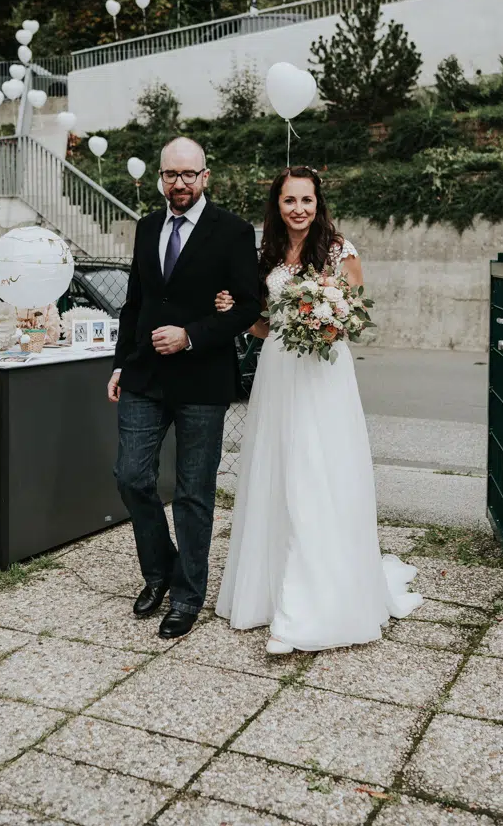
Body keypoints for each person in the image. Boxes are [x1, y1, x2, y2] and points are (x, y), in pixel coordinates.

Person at [215, 166, 423, 654]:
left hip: (323, 376)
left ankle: (307, 609)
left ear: (318, 202)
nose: (299, 209)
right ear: (277, 205)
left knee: (316, 474)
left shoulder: (338, 250)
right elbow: (265, 325)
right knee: (278, 472)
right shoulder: (266, 254)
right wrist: (235, 315)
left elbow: (353, 318)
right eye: (290, 200)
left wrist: (322, 319)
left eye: (306, 200)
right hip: (278, 372)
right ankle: (270, 593)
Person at [108, 137, 261, 640]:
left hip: (202, 380)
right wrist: (120, 364)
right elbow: (135, 303)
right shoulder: (147, 226)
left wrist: (191, 335)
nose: (179, 183)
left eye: (188, 174)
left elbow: (247, 306)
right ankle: (160, 571)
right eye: (171, 174)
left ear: (205, 176)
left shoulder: (233, 231)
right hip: (144, 375)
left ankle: (187, 596)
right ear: (160, 177)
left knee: (194, 493)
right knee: (131, 477)